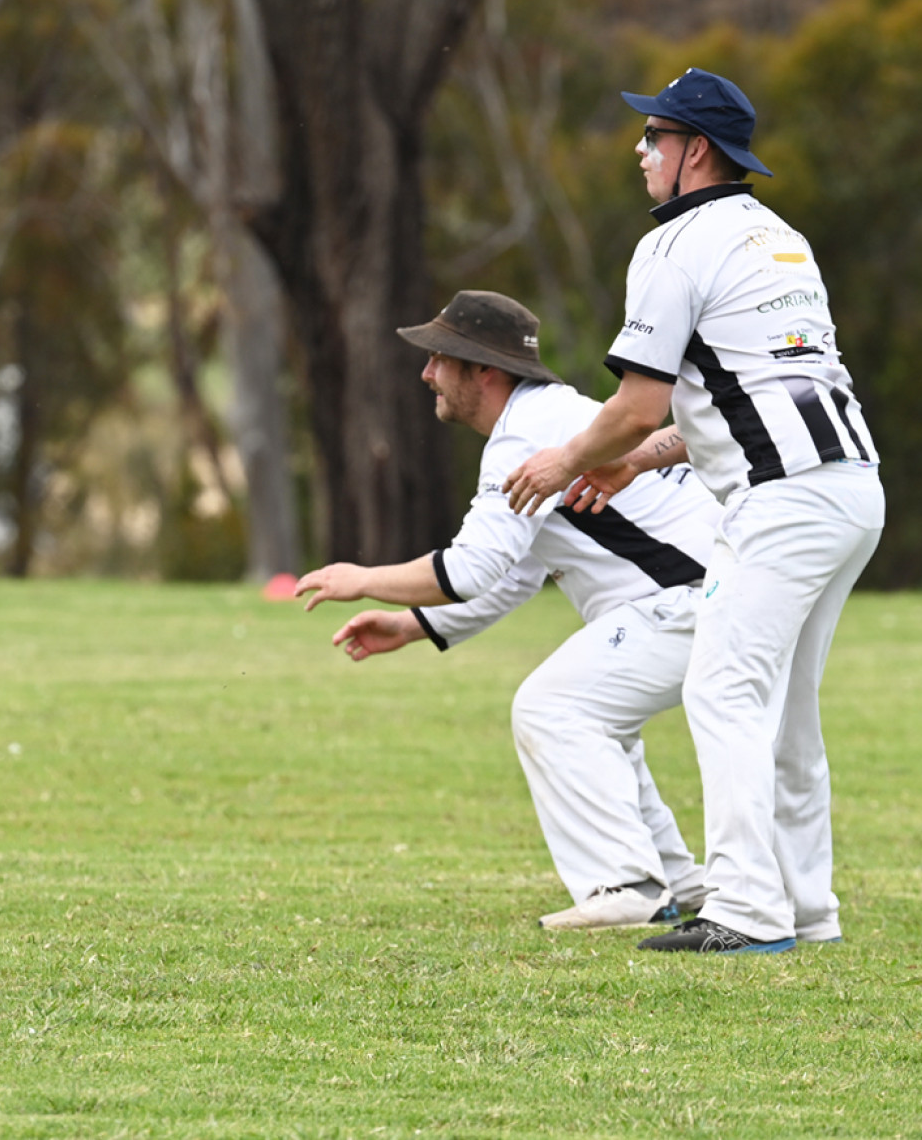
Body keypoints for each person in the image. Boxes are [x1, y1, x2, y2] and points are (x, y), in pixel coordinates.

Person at [502, 68, 883, 955]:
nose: (642, 152)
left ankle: (747, 910)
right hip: (852, 487)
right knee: (786, 708)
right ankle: (807, 908)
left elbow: (640, 400)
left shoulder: (672, 247)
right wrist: (636, 459)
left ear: (695, 152)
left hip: (781, 503)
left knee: (723, 689)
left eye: (655, 137)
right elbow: (733, 395)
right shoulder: (782, 238)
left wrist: (570, 457)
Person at [294, 291, 717, 929]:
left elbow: (471, 569)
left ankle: (626, 886)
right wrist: (413, 625)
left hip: (690, 601)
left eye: (440, 360)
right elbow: (516, 570)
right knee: (594, 718)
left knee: (554, 708)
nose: (426, 374)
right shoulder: (547, 419)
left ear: (483, 371)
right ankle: (679, 883)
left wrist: (364, 580)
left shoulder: (525, 432)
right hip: (710, 596)